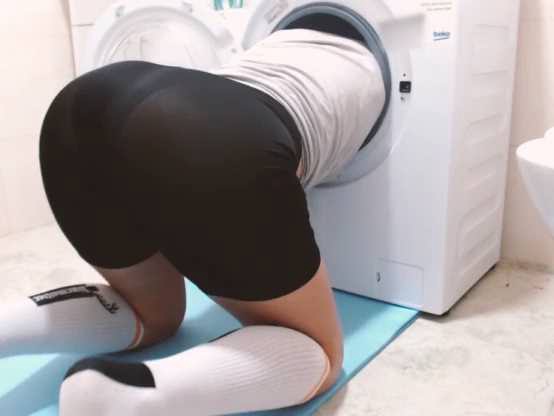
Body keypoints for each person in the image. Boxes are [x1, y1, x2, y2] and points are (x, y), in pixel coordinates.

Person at [3, 28, 385, 415]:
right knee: (320, 350)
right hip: (212, 135)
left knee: (151, 317)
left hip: (84, 108)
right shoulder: (373, 60)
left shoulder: (276, 39)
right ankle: (125, 400)